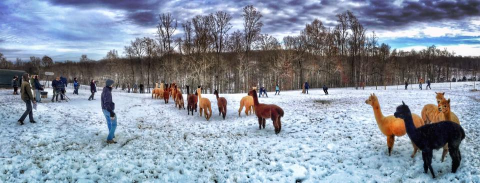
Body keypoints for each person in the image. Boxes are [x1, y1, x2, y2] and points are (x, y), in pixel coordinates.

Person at [102, 79, 117, 144]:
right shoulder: (107, 92)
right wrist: (111, 111)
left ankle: (112, 134)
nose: (112, 86)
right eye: (112, 84)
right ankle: (109, 138)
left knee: (109, 122)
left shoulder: (105, 90)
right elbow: (106, 103)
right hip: (108, 110)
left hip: (104, 110)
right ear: (110, 85)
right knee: (114, 124)